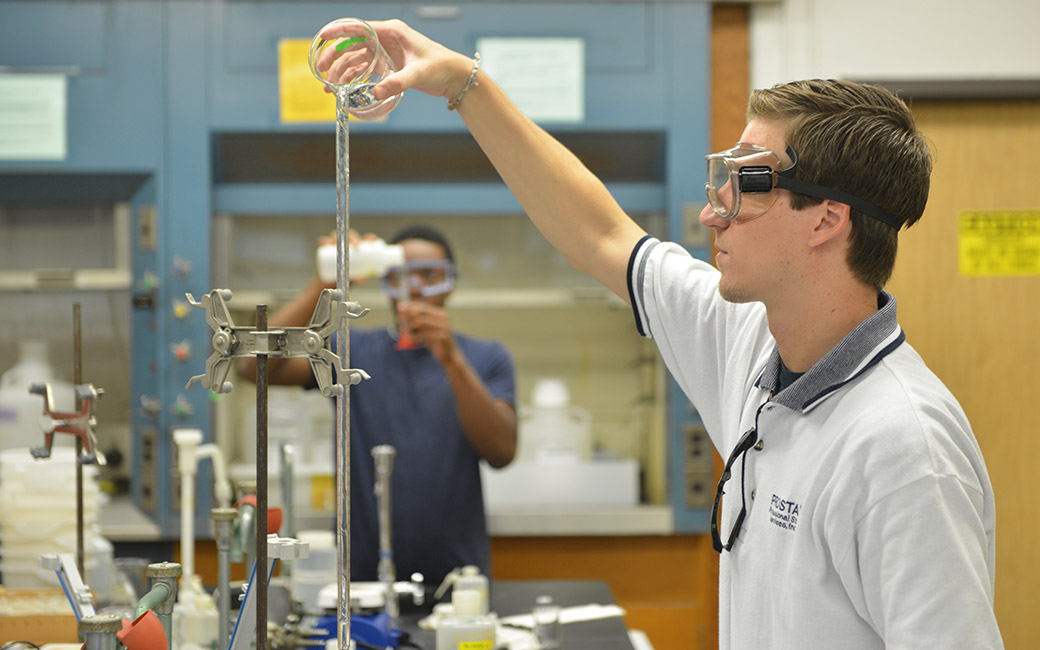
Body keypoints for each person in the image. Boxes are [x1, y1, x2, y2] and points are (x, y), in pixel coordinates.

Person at [312, 19, 1005, 649]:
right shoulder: (749, 345)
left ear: (826, 219)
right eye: (719, 178)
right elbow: (602, 233)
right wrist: (463, 83)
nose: (712, 214)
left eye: (745, 184)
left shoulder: (905, 450)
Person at [240, 224, 517, 587]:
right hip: (359, 580)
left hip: (456, 579)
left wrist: (451, 359)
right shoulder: (349, 353)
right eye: (401, 275)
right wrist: (324, 285)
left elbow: (501, 452)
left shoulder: (486, 357)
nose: (415, 287)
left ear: (450, 283)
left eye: (430, 275)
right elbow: (254, 365)